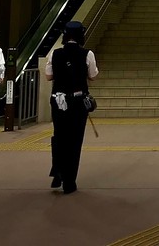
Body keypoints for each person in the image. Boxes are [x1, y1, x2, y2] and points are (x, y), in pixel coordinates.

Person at [46, 21, 99, 194]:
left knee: (59, 137)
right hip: (77, 102)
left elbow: (48, 76)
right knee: (75, 140)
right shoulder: (87, 53)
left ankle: (57, 171)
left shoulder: (55, 53)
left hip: (58, 101)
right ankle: (69, 181)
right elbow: (92, 76)